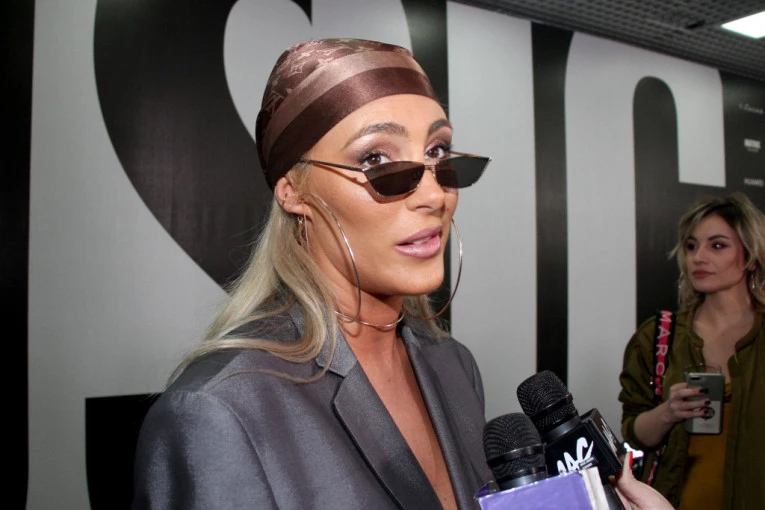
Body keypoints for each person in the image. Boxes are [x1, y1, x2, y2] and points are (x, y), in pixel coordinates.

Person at [133, 37, 674, 510]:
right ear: (294, 191)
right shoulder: (217, 411)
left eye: (438, 151)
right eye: (375, 159)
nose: (435, 193)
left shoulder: (453, 366)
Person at [619, 192, 765, 509]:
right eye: (691, 246)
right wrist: (667, 412)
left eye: (717, 245)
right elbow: (633, 434)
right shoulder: (658, 336)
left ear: (751, 255)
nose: (698, 257)